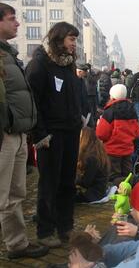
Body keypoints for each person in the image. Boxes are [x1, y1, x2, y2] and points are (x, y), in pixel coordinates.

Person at [26, 21, 83, 248]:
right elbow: (33, 103)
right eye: (71, 39)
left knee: (68, 182)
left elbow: (72, 95)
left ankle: (65, 227)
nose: (74, 44)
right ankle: (45, 230)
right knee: (49, 183)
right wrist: (40, 135)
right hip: (50, 136)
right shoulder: (40, 65)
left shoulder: (69, 65)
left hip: (70, 132)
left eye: (75, 39)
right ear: (59, 40)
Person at [0, 2, 49, 259]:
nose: (17, 23)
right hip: (4, 136)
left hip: (17, 134)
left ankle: (17, 244)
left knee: (15, 194)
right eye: (11, 19)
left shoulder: (9, 54)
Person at [96, 84, 139, 185]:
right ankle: (130, 194)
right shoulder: (132, 111)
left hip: (112, 151)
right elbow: (137, 131)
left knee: (113, 178)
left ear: (112, 96)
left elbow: (101, 134)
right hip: (128, 150)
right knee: (127, 177)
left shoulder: (109, 112)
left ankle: (116, 196)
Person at [75, 127, 110, 203]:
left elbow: (86, 182)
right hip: (98, 192)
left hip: (93, 194)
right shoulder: (97, 152)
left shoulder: (91, 157)